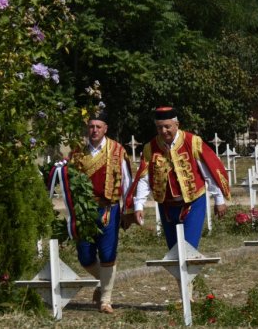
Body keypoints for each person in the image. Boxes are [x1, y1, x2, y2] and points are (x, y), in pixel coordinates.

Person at [125, 106, 231, 251]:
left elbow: (209, 171)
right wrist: (139, 205)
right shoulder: (150, 147)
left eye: (167, 127)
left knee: (188, 249)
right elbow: (144, 177)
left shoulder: (192, 142)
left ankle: (190, 272)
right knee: (174, 251)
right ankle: (184, 274)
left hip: (193, 202)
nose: (163, 131)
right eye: (159, 127)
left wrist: (219, 200)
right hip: (166, 205)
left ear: (177, 124)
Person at [68, 110, 132, 314]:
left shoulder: (117, 150)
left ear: (105, 129)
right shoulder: (77, 152)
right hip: (84, 209)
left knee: (107, 254)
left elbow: (127, 181)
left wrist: (128, 210)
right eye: (91, 126)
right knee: (85, 256)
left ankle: (105, 299)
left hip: (108, 208)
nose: (94, 130)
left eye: (98, 126)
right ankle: (103, 281)